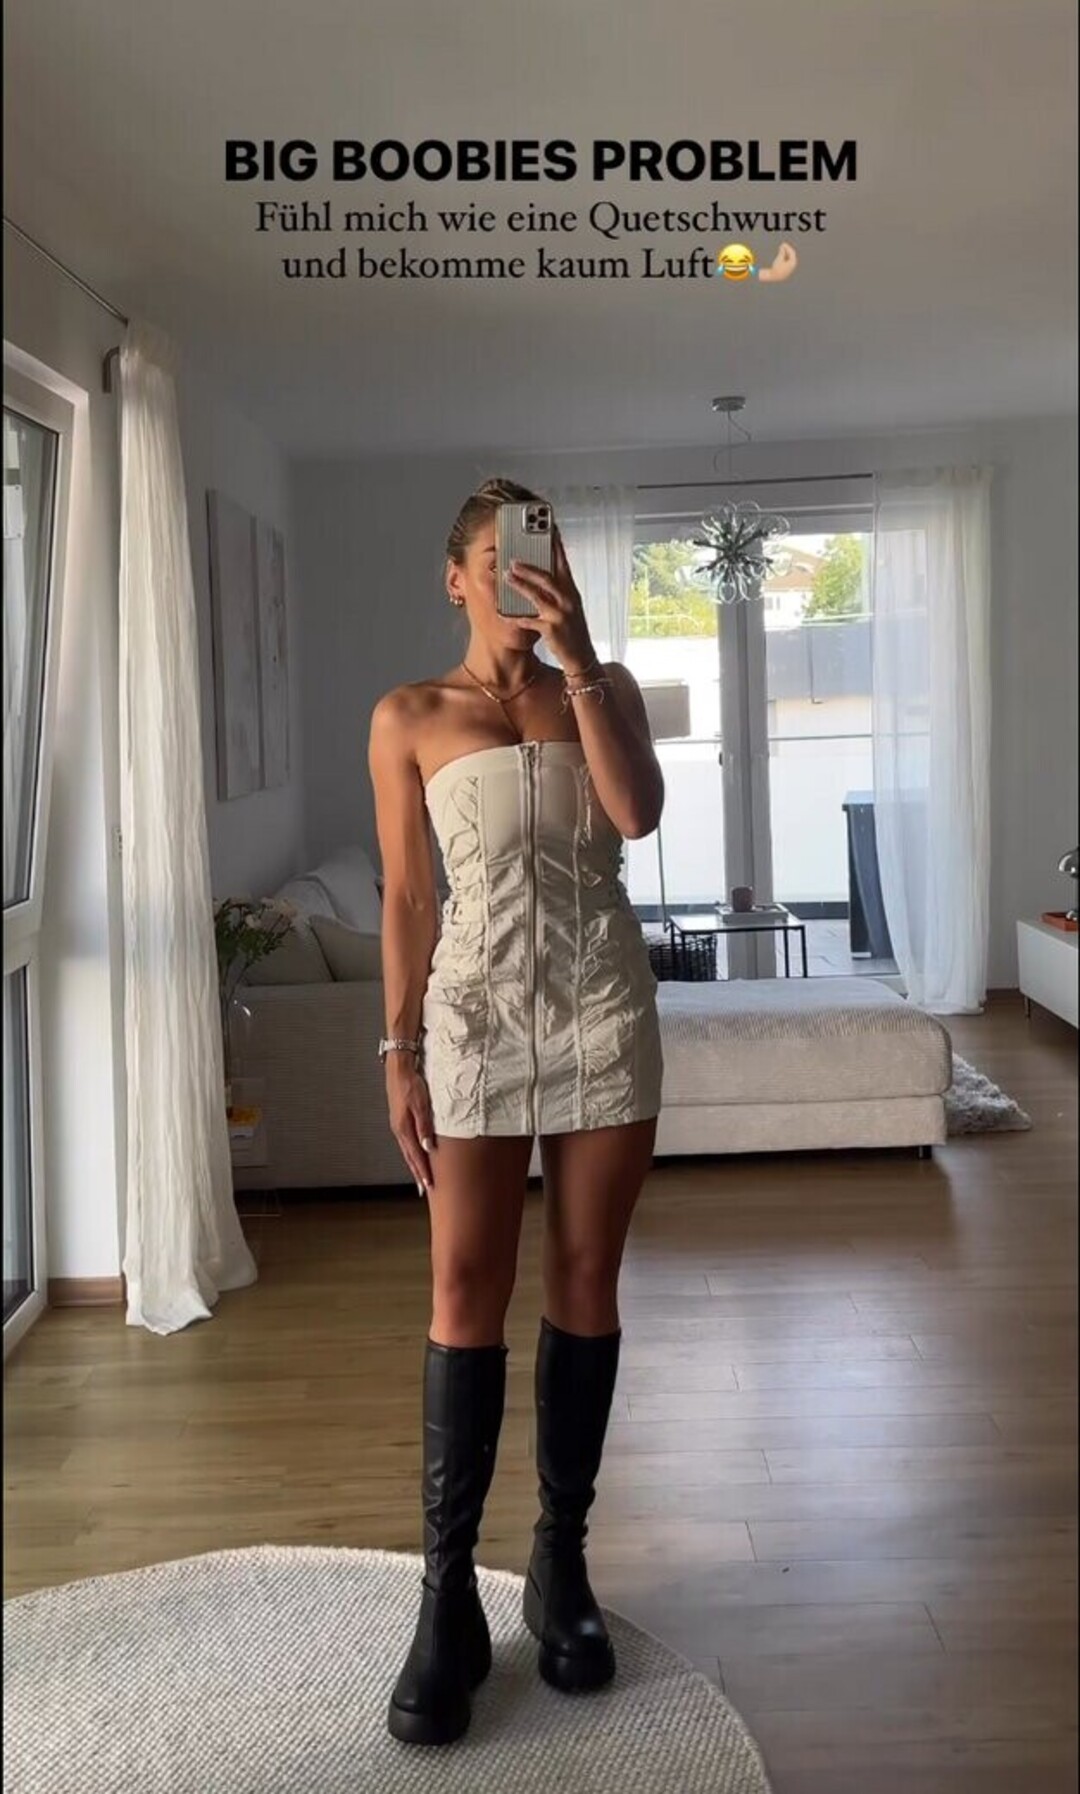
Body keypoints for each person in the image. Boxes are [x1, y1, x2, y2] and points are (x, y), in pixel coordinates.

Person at [367, 477, 665, 1748]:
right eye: (497, 557)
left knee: (587, 1277)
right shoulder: (409, 716)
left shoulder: (602, 685)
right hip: (475, 1020)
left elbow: (637, 814)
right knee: (463, 1289)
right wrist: (398, 1050)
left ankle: (560, 1562)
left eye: (540, 552)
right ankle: (447, 1600)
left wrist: (581, 657)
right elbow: (405, 898)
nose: (520, 574)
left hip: (601, 1007)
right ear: (456, 579)